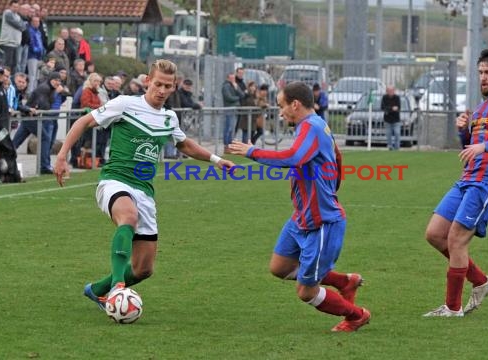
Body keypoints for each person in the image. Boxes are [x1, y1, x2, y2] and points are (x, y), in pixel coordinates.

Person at [53, 59, 235, 313]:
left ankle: (96, 290)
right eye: (158, 84)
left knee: (143, 268)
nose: (162, 90)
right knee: (128, 216)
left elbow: (184, 145)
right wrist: (61, 157)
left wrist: (216, 160)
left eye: (168, 86)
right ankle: (118, 286)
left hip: (145, 191)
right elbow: (83, 122)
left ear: (174, 87)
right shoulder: (125, 104)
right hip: (115, 181)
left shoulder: (169, 118)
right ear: (148, 81)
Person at [228, 81, 370, 332]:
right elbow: (337, 156)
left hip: (323, 222)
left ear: (295, 104)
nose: (280, 112)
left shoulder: (312, 126)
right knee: (279, 267)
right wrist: (328, 188)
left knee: (306, 292)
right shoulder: (314, 125)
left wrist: (253, 152)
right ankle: (345, 281)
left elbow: (293, 157)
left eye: (282, 106)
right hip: (302, 217)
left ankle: (356, 315)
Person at [423, 49, 488, 317]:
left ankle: (452, 308)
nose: (482, 78)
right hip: (467, 179)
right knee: (435, 234)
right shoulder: (482, 108)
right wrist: (464, 131)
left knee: (456, 240)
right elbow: (470, 149)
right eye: (480, 72)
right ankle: (482, 282)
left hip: (487, 183)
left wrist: (485, 146)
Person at [221, 72, 244, 153]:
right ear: (228, 78)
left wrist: (237, 88)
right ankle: (226, 146)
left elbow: (242, 95)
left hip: (235, 110)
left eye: (234, 78)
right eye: (231, 78)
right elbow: (229, 97)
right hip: (229, 109)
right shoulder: (226, 86)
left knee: (232, 128)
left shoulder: (234, 85)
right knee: (229, 128)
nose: (233, 80)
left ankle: (230, 145)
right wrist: (238, 99)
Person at [381, 86, 401, 151]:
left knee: (397, 133)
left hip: (396, 119)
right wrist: (392, 108)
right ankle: (390, 147)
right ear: (386, 91)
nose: (390, 92)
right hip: (387, 119)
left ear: (394, 91)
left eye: (392, 90)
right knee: (388, 134)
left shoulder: (397, 98)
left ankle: (397, 148)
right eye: (389, 91)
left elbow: (398, 107)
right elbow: (383, 108)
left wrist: (389, 109)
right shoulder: (384, 98)